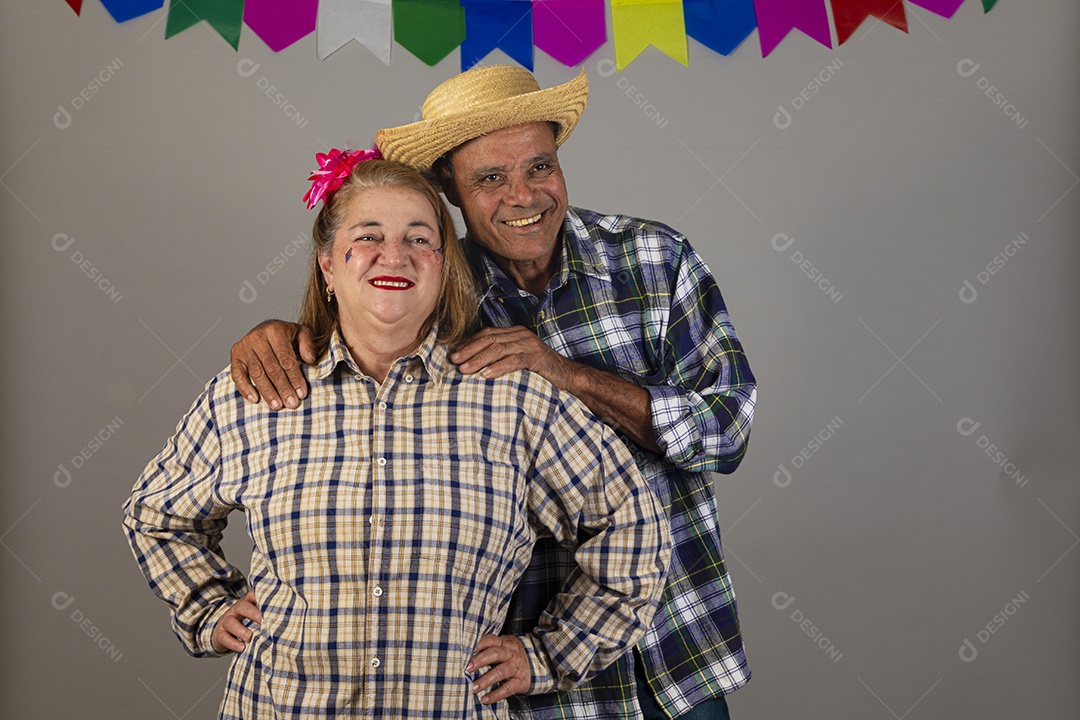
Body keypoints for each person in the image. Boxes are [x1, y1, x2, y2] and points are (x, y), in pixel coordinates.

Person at [231, 65, 756, 720]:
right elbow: (348, 373)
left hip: (675, 648)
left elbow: (727, 430)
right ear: (448, 188)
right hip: (529, 672)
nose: (523, 195)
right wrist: (277, 334)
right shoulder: (423, 292)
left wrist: (564, 373)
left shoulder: (654, 259)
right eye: (490, 178)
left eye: (540, 167)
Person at [123, 155, 672, 719]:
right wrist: (208, 610)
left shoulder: (514, 401)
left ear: (442, 264)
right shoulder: (259, 394)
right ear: (328, 266)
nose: (396, 254)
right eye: (368, 237)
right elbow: (156, 516)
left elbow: (634, 524)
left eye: (418, 238)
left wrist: (552, 655)